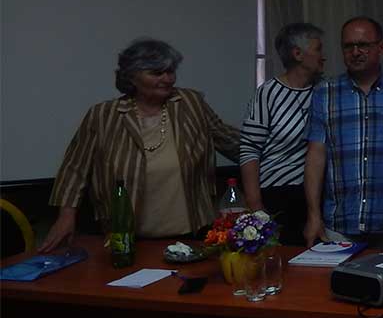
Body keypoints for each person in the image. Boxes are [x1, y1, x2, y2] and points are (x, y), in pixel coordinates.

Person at [41, 38, 240, 252]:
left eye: (170, 71)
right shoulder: (103, 115)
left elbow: (229, 140)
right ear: (132, 77)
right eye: (157, 73)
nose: (167, 79)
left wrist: (265, 152)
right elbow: (75, 169)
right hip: (127, 236)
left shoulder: (190, 103)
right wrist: (66, 216)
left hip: (194, 234)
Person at [303, 17, 383, 248]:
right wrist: (313, 215)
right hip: (338, 226)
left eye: (363, 45)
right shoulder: (324, 93)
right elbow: (315, 157)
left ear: (381, 47)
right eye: (348, 46)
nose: (355, 52)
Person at [239, 23, 325, 246]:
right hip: (276, 195)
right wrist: (256, 207)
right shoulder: (268, 93)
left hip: (316, 194)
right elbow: (249, 149)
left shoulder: (323, 91)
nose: (323, 56)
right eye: (318, 49)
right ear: (298, 54)